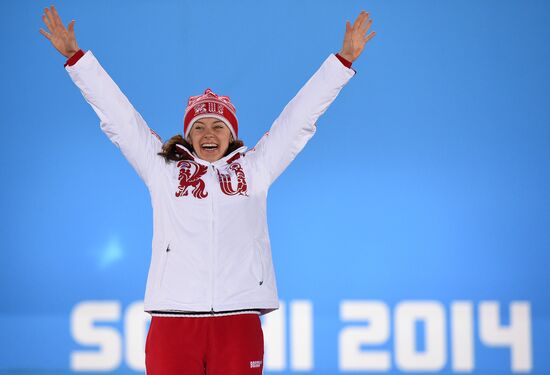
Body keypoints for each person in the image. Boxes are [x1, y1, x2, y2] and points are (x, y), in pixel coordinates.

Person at [40, 4, 375, 374]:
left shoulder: (255, 168)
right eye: (199, 127)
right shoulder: (163, 170)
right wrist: (77, 59)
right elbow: (120, 118)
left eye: (218, 126)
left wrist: (341, 62)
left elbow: (298, 120)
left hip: (238, 320)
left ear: (231, 135)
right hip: (173, 320)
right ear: (187, 135)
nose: (208, 133)